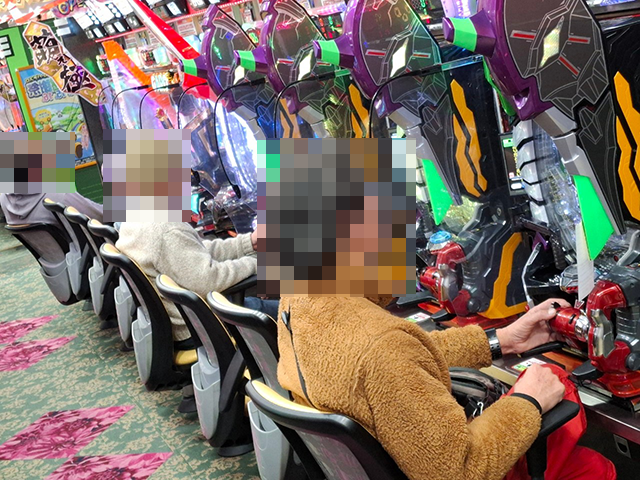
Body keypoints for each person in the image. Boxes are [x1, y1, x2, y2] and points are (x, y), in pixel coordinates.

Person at [276, 296, 616, 480]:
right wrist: (528, 400)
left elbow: (407, 353)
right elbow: (460, 471)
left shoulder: (299, 300)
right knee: (591, 466)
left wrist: (503, 340)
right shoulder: (383, 348)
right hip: (448, 468)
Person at [116, 222, 278, 349]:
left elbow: (193, 249)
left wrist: (248, 243)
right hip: (203, 325)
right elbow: (208, 280)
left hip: (190, 315)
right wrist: (256, 264)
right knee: (288, 312)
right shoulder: (167, 231)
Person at [0, 193, 103, 225]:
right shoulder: (59, 196)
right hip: (92, 259)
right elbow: (101, 216)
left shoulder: (4, 199)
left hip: (52, 264)